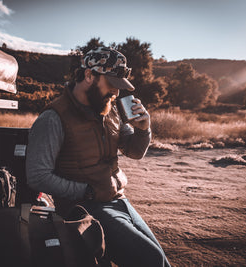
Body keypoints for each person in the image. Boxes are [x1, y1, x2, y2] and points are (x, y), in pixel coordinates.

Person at [26, 47, 171, 267]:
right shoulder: (53, 118)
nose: (116, 93)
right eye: (112, 84)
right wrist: (85, 191)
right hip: (86, 207)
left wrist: (144, 129)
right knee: (151, 260)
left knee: (160, 260)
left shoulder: (109, 110)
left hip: (119, 200)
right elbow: (37, 176)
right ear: (89, 75)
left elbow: (134, 152)